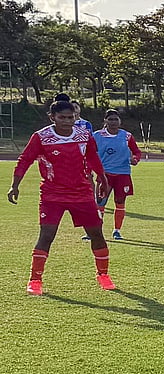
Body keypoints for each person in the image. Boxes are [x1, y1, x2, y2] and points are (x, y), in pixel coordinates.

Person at [8, 99, 111, 295]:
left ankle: (103, 275)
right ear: (52, 117)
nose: (67, 121)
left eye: (70, 117)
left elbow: (92, 157)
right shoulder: (41, 137)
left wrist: (102, 179)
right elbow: (25, 160)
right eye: (62, 117)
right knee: (46, 236)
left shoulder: (83, 134)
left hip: (81, 193)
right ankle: (35, 280)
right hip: (52, 195)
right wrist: (15, 185)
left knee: (96, 233)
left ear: (76, 117)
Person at [91, 109, 142, 241]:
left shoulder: (127, 136)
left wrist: (135, 159)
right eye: (110, 119)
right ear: (105, 121)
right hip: (105, 174)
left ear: (120, 121)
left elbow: (136, 151)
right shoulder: (97, 136)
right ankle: (96, 231)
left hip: (123, 174)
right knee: (100, 202)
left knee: (120, 202)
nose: (113, 122)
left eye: (116, 119)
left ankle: (117, 230)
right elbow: (89, 152)